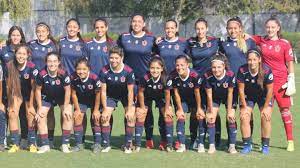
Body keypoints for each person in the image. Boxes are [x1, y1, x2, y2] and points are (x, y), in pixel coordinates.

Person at [251, 17, 296, 152]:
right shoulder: (261, 40)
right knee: (265, 113)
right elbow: (246, 36)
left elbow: (289, 62)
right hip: (266, 83)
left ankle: (290, 141)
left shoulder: (284, 43)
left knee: (285, 111)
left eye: (272, 27)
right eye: (268, 27)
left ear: (278, 28)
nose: (270, 29)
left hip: (281, 83)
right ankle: (264, 142)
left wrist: (291, 79)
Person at [117, 14, 156, 148]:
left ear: (144, 23)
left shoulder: (151, 39)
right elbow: (117, 54)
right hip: (129, 81)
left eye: (139, 21)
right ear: (131, 23)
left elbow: (157, 55)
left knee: (146, 109)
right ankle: (129, 140)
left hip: (145, 81)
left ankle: (149, 138)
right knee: (129, 109)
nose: (136, 23)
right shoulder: (124, 37)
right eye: (134, 21)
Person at [99, 46, 135, 153]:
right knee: (104, 117)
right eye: (111, 58)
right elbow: (103, 91)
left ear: (122, 58)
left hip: (125, 95)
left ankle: (128, 145)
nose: (113, 60)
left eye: (116, 58)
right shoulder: (104, 71)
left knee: (131, 116)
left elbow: (130, 92)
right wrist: (105, 108)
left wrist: (129, 109)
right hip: (110, 96)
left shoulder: (128, 71)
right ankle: (106, 144)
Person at [237, 49, 273, 154]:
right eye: (249, 60)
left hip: (263, 97)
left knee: (265, 117)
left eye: (254, 59)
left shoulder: (266, 70)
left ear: (259, 60)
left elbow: (270, 90)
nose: (252, 62)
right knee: (244, 117)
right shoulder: (242, 70)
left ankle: (265, 145)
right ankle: (247, 144)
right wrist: (244, 108)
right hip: (248, 97)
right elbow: (241, 90)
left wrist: (265, 108)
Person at [35, 52, 73, 153]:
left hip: (61, 97)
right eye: (50, 61)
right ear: (46, 62)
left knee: (68, 114)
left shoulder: (63, 73)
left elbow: (68, 90)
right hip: (47, 97)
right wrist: (39, 108)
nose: (52, 64)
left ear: (59, 62)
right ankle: (45, 144)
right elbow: (38, 90)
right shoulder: (41, 74)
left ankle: (65, 144)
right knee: (41, 116)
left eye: (55, 61)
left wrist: (65, 107)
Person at [28, 22, 58, 148]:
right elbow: (23, 55)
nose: (40, 33)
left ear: (48, 32)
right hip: (34, 83)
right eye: (38, 31)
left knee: (49, 112)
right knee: (34, 110)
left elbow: (57, 63)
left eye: (43, 31)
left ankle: (49, 139)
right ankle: (33, 140)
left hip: (49, 84)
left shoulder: (54, 46)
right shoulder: (31, 45)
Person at [135, 56, 173, 152]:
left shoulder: (166, 78)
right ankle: (146, 140)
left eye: (157, 68)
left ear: (162, 68)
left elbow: (168, 94)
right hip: (147, 96)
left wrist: (167, 108)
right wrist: (143, 107)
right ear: (149, 68)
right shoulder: (145, 78)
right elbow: (140, 92)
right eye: (152, 68)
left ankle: (166, 142)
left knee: (166, 115)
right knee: (142, 115)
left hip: (161, 97)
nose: (155, 70)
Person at [167, 55, 204, 153]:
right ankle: (182, 144)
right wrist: (179, 109)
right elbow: (176, 93)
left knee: (198, 117)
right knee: (180, 116)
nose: (179, 67)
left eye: (182, 65)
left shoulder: (195, 75)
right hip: (182, 100)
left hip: (195, 100)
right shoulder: (173, 75)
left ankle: (199, 143)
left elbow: (197, 93)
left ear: (187, 65)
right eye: (177, 65)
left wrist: (199, 108)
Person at [6, 44, 39, 153]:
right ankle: (15, 144)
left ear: (28, 55)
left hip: (30, 94)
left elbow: (34, 88)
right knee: (12, 113)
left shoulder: (32, 67)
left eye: (23, 54)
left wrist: (31, 106)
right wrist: (10, 103)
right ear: (15, 54)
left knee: (30, 114)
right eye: (19, 53)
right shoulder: (10, 65)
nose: (21, 56)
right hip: (17, 94)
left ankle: (32, 143)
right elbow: (9, 86)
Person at [0, 26, 28, 149]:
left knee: (24, 114)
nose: (15, 37)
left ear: (21, 36)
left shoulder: (27, 49)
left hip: (25, 87)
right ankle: (7, 140)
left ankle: (25, 139)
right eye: (13, 35)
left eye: (18, 35)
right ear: (10, 36)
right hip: (8, 87)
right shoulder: (3, 49)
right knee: (9, 113)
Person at [204, 54, 237, 154]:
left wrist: (230, 110)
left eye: (219, 67)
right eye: (214, 67)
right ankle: (212, 145)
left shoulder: (230, 75)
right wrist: (210, 111)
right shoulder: (207, 75)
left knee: (230, 118)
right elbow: (209, 95)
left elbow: (231, 93)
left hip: (229, 97)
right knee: (211, 118)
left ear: (224, 66)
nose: (216, 69)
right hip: (214, 97)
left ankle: (232, 146)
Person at [70, 58, 101, 153]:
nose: (81, 71)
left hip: (93, 101)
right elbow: (74, 94)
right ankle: (79, 144)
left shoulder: (95, 78)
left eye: (84, 69)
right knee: (77, 117)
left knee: (96, 118)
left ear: (88, 69)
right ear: (75, 69)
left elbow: (98, 95)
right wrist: (78, 110)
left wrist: (96, 110)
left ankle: (97, 144)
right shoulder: (73, 78)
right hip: (81, 101)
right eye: (79, 69)